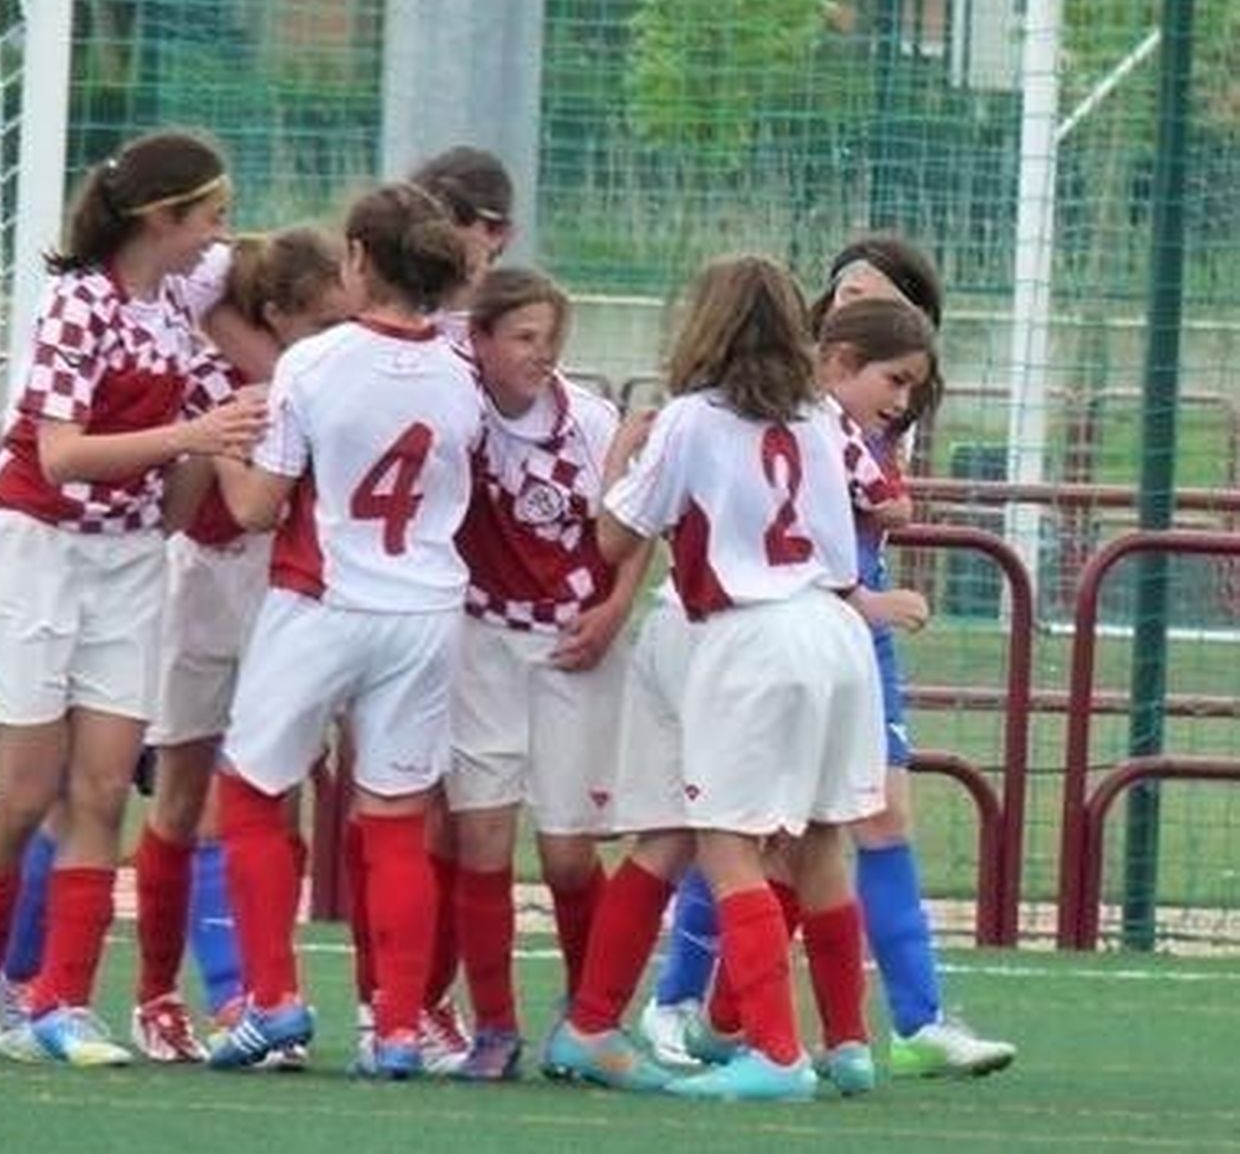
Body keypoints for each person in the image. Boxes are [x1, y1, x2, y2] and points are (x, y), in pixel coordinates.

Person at [543, 254, 916, 1103]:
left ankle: (769, 1052)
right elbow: (883, 499)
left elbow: (613, 538)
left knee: (714, 841)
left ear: (703, 326)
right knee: (819, 837)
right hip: (836, 632)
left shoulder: (690, 420)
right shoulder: (824, 415)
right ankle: (845, 1043)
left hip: (743, 638)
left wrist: (618, 468)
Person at [641, 235, 1015, 1080]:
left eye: (876, 298)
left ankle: (881, 1024)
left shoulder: (858, 412)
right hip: (798, 623)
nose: (850, 306)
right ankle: (692, 1002)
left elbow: (872, 513)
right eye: (844, 294)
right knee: (754, 825)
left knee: (840, 823)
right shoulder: (792, 411)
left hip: (832, 634)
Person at [0, 129, 266, 1067]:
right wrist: (192, 434)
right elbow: (61, 454)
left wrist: (214, 446)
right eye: (209, 217)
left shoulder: (176, 312)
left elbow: (187, 470)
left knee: (101, 790)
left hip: (127, 559)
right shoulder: (76, 304)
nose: (220, 236)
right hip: (34, 551)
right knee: (24, 790)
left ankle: (64, 1002)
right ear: (158, 219)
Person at [204, 182, 478, 1079]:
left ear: (358, 258)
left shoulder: (314, 365)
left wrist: (209, 439)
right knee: (395, 821)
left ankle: (274, 1002)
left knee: (251, 793)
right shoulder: (457, 371)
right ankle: (396, 1027)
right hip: (425, 610)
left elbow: (255, 505)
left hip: (322, 599)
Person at [128, 227, 352, 1064]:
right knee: (180, 796)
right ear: (272, 315)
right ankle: (159, 994)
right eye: (320, 321)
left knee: (267, 796)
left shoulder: (323, 380)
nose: (337, 336)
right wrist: (212, 441)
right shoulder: (214, 377)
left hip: (289, 590)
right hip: (203, 586)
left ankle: (251, 995)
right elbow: (177, 513)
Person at [337, 145, 518, 1075]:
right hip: (379, 595)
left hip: (478, 606)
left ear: (496, 236)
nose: (449, 245)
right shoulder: (378, 333)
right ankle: (389, 1004)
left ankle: (425, 1002)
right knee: (392, 806)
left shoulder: (505, 333)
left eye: (467, 227)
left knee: (450, 816)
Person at [444, 267, 644, 1081]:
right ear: (480, 342)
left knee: (567, 852)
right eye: (523, 337)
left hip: (574, 647)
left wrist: (617, 607)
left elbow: (639, 522)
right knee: (482, 838)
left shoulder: (592, 423)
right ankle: (493, 1023)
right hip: (482, 640)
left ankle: (586, 1013)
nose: (541, 354)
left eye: (550, 338)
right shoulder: (456, 412)